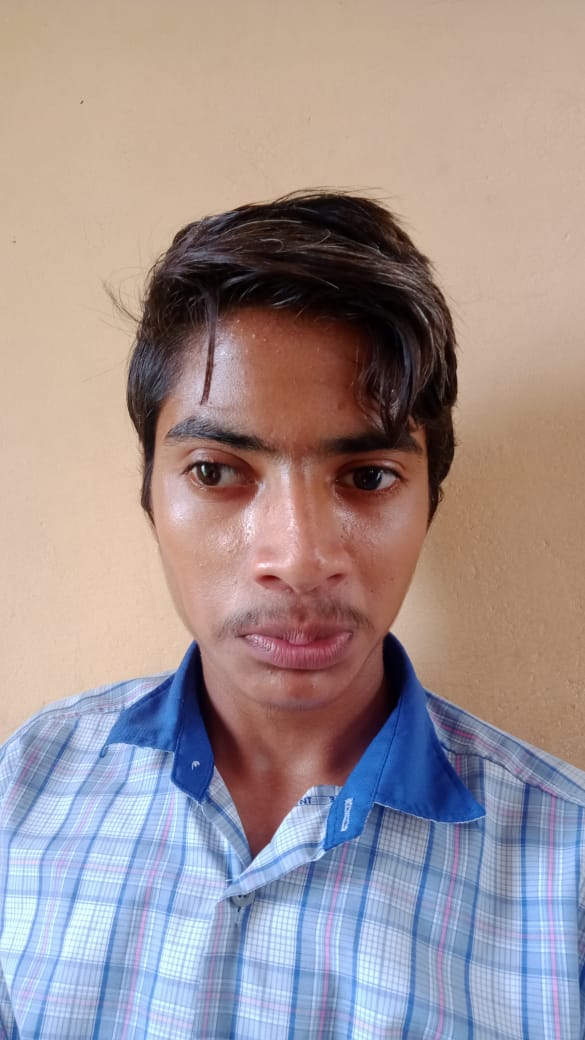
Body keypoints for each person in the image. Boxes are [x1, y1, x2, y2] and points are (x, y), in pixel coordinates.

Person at [1, 191, 584, 1040]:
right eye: (215, 471)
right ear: (150, 494)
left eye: (367, 477)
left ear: (429, 500)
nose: (301, 557)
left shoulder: (568, 872)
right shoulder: (27, 787)